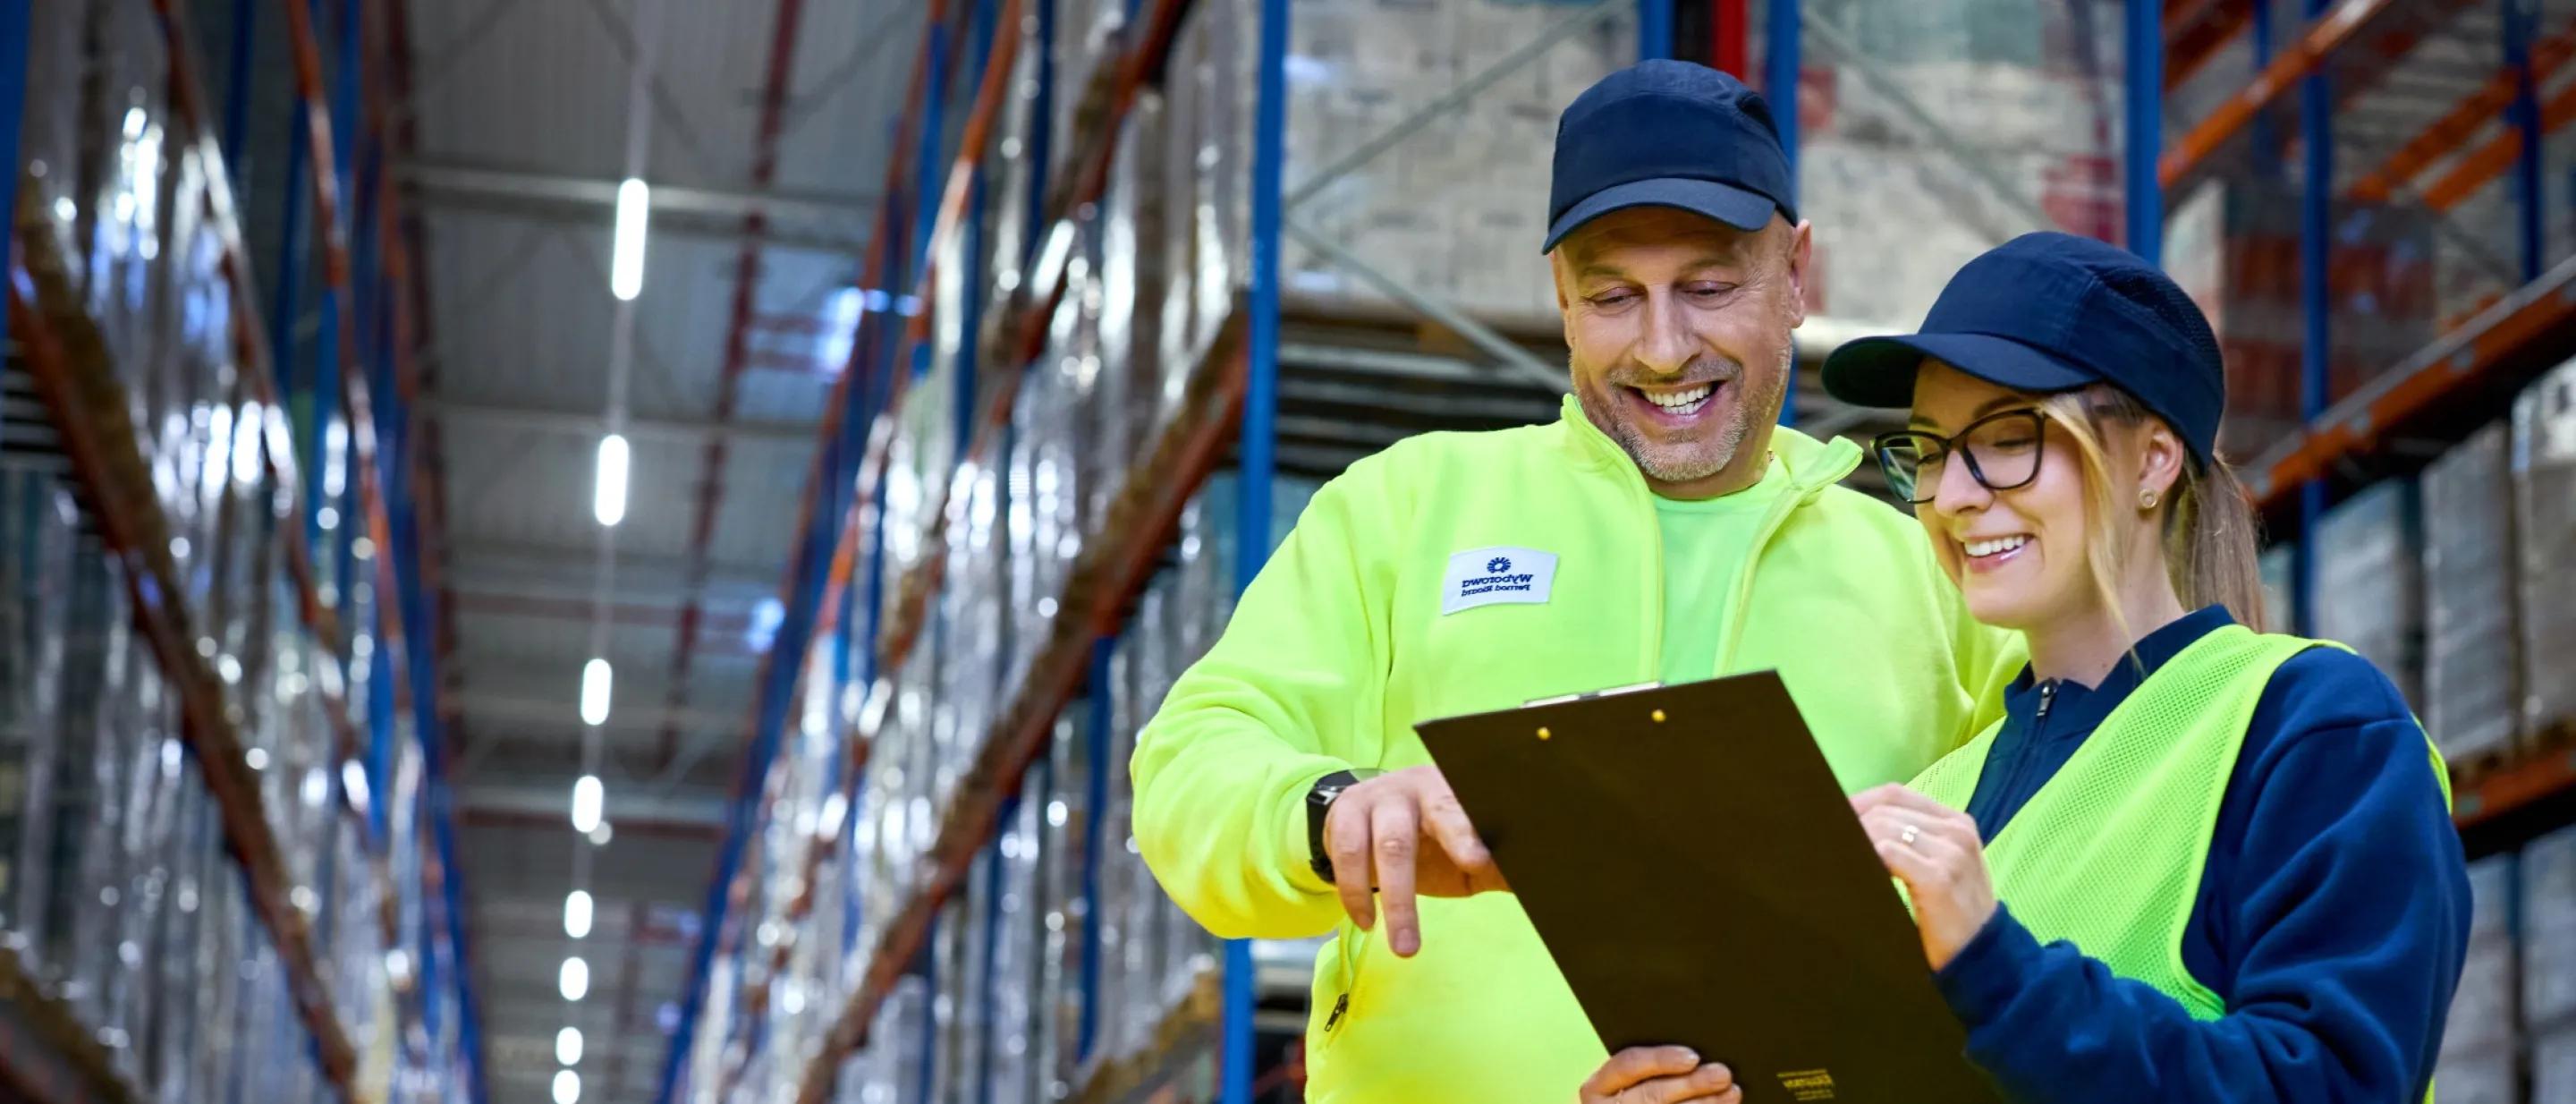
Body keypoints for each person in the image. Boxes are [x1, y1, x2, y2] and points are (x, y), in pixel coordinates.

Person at [1129, 60, 2024, 1103]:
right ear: (1559, 297)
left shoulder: (1931, 575)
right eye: (1611, 296)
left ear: (1798, 275)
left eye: (1709, 286)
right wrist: (1330, 811)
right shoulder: (1411, 505)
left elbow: (2040, 901)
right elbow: (1192, 760)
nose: (1661, 346)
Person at [1580, 233, 2471, 1104]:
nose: (1954, 496)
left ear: (2153, 460)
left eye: (2008, 439)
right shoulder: (1943, 798)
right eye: (1927, 451)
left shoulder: (2306, 728)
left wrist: (1996, 969)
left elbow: (2334, 1082)